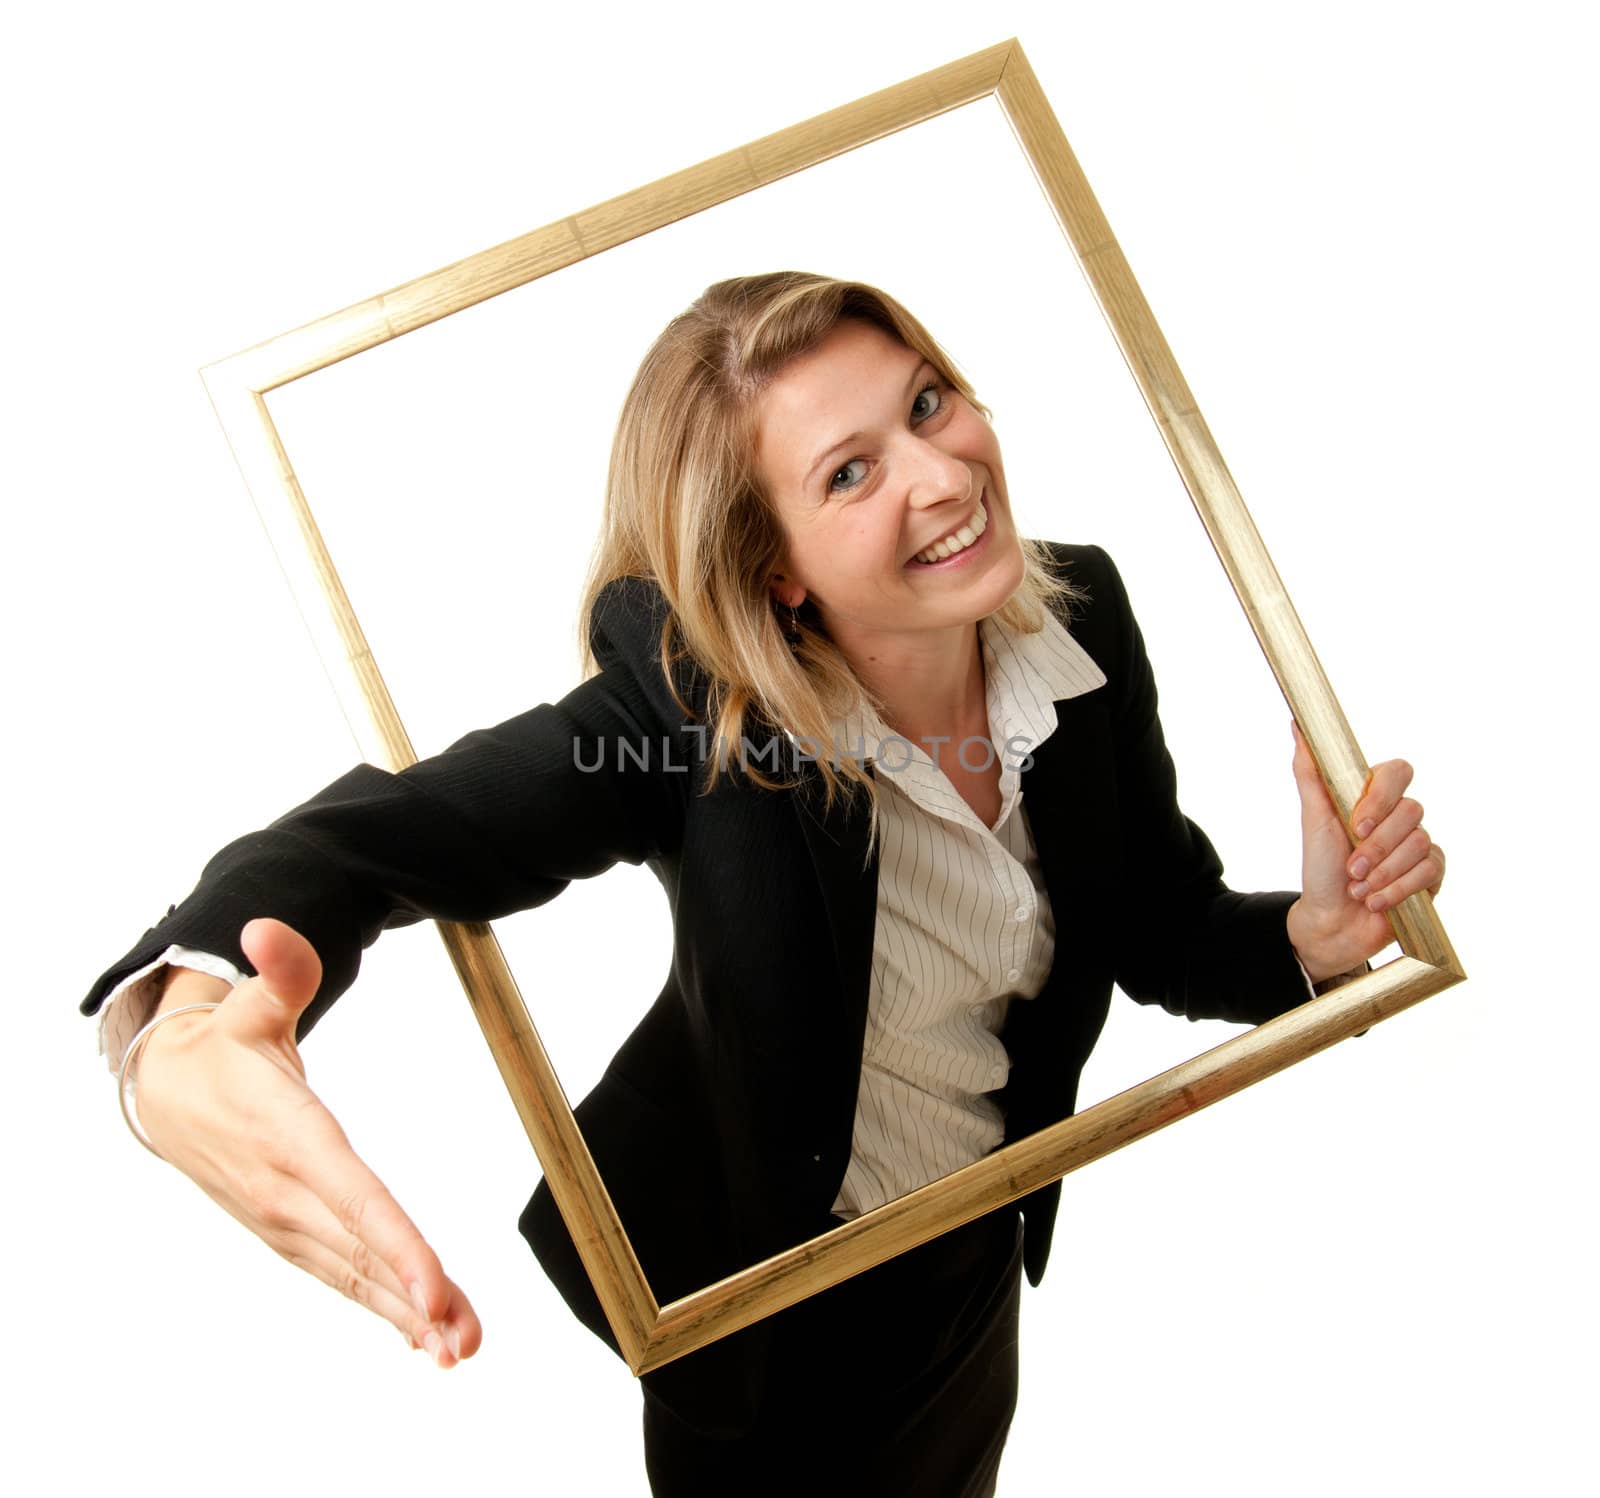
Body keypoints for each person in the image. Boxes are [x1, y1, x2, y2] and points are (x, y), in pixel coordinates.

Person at [81, 271, 1445, 1496]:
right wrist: (179, 1019)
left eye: (928, 402)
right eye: (850, 472)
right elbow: (389, 832)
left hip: (966, 1269)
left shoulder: (1076, 623)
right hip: (752, 1316)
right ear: (771, 564)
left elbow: (1154, 921)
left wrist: (1314, 936)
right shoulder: (694, 713)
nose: (941, 473)